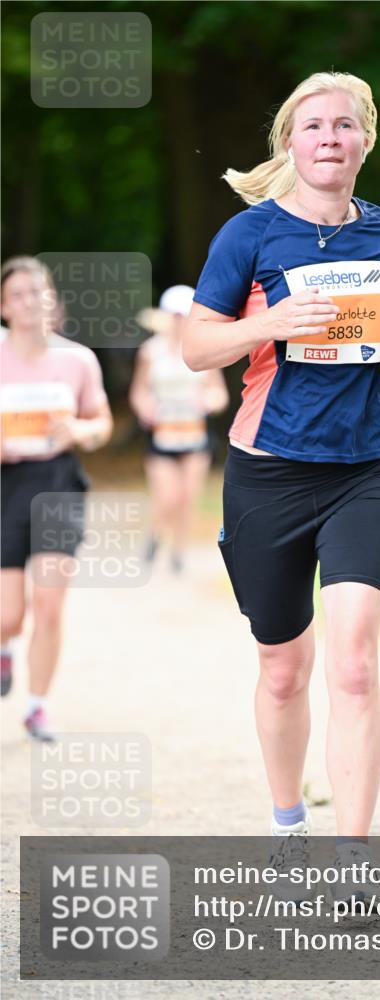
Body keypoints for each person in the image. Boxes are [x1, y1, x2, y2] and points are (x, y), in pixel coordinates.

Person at [184, 72, 380, 907]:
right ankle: (287, 824)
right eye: (312, 126)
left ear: (365, 139)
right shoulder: (249, 236)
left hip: (368, 466)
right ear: (289, 144)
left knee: (355, 662)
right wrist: (267, 325)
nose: (328, 138)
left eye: (343, 126)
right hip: (269, 470)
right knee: (284, 667)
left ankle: (353, 861)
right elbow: (196, 346)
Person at [0, 256, 112, 740]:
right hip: (5, 486)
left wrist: (80, 431)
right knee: (9, 614)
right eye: (19, 293)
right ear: (4, 307)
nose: (30, 300)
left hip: (57, 484)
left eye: (38, 290)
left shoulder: (77, 360)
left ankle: (38, 706)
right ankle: (5, 648)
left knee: (49, 605)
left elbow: (102, 423)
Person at [129, 285, 228, 573]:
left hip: (194, 433)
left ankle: (178, 553)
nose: (179, 321)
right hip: (162, 434)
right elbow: (138, 391)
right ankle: (156, 535)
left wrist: (208, 401)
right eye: (174, 315)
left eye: (184, 315)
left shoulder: (202, 351)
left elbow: (219, 394)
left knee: (188, 496)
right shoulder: (150, 352)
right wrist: (145, 407)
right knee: (167, 496)